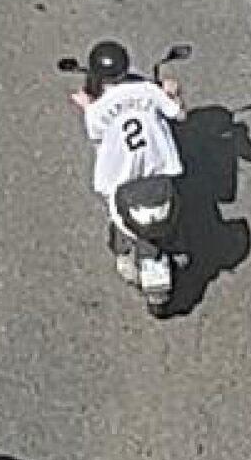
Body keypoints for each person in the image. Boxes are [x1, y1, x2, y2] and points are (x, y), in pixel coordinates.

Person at [72, 39, 186, 287]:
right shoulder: (147, 90)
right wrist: (172, 92)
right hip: (160, 169)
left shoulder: (97, 110)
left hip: (121, 178)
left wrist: (88, 107)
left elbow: (97, 137)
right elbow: (178, 113)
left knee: (117, 217)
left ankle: (124, 254)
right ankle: (174, 243)